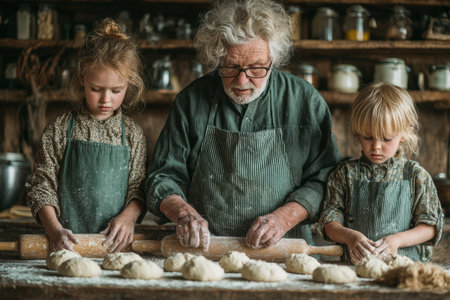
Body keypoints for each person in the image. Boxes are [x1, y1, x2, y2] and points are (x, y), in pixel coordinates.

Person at [146, 0, 340, 251]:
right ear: (217, 58)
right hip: (204, 248)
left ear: (274, 59)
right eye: (230, 67)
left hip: (284, 249)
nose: (241, 80)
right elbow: (163, 176)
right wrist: (184, 214)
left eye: (256, 68)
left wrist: (283, 218)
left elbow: (326, 178)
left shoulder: (304, 101)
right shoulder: (191, 100)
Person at [26, 18, 148, 253]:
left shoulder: (132, 135)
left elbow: (138, 187)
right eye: (96, 89)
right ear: (82, 79)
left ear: (129, 85)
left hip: (115, 247)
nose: (106, 99)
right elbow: (42, 184)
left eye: (116, 91)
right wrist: (54, 229)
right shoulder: (60, 129)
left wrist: (129, 218)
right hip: (65, 246)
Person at [318, 82, 444, 264]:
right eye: (367, 137)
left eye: (386, 138)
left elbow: (430, 227)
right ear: (357, 132)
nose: (376, 146)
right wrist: (349, 236)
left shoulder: (416, 176)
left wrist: (397, 240)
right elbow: (329, 223)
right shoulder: (345, 174)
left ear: (405, 133)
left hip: (405, 269)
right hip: (355, 270)